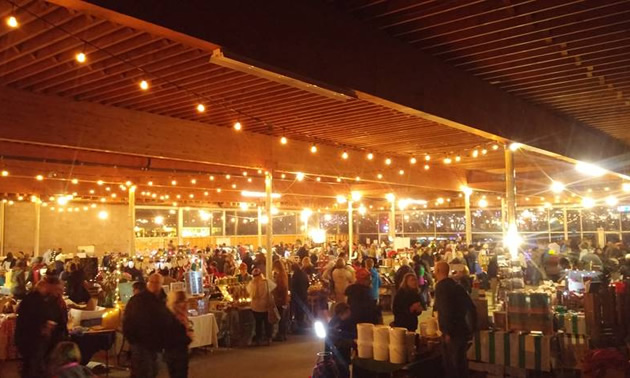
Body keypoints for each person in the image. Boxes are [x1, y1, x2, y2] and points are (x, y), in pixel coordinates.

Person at [15, 275, 68, 378]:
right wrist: (44, 326)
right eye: (58, 289)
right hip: (33, 342)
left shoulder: (53, 300)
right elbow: (27, 321)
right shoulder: (33, 300)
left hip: (43, 343)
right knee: (34, 369)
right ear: (49, 286)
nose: (60, 292)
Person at [123, 273, 172, 378]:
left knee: (154, 370)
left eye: (157, 282)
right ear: (148, 283)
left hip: (157, 343)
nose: (154, 285)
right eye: (152, 282)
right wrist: (132, 339)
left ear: (161, 284)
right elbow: (128, 320)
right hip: (140, 343)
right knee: (143, 371)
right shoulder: (137, 300)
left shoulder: (163, 301)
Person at [434, 261, 477, 378]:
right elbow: (471, 306)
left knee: (452, 365)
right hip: (463, 329)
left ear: (438, 271)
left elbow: (445, 309)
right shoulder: (457, 286)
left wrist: (447, 331)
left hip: (452, 332)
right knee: (461, 363)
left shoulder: (441, 287)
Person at [164, 291, 193, 378]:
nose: (185, 304)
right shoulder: (176, 318)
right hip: (177, 351)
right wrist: (188, 338)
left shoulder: (176, 316)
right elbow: (177, 336)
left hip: (174, 351)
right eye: (182, 301)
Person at [247, 268, 276, 346]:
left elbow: (248, 293)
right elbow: (273, 288)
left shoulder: (252, 283)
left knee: (258, 324)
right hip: (265, 305)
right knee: (267, 323)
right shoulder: (266, 282)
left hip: (255, 307)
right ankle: (268, 338)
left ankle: (258, 339)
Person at [326, 303, 354, 378]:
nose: (350, 314)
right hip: (338, 357)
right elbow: (338, 342)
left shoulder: (342, 322)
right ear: (342, 313)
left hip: (340, 355)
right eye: (347, 312)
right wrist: (353, 343)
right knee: (342, 373)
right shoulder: (335, 325)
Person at [272, 260, 290, 342]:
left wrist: (275, 289)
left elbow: (281, 287)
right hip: (284, 299)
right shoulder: (284, 274)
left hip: (280, 299)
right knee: (283, 317)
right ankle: (283, 334)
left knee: (281, 318)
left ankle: (281, 334)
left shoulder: (280, 276)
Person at [290, 262, 310, 332]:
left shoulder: (295, 275)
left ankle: (299, 328)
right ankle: (301, 326)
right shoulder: (303, 273)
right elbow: (308, 284)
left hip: (297, 295)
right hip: (304, 294)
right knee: (302, 311)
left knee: (298, 312)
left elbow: (293, 286)